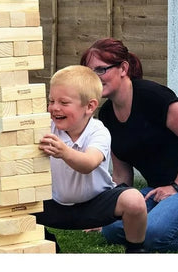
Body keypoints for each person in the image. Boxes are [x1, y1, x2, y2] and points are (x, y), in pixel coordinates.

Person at [80, 38, 178, 252]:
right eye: (90, 73)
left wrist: (177, 187)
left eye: (101, 70)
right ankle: (173, 219)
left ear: (123, 68)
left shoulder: (152, 96)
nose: (95, 78)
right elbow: (122, 175)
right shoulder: (106, 114)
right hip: (158, 191)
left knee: (149, 234)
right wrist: (105, 212)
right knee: (112, 229)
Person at [35, 65, 148, 253]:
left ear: (90, 106)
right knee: (11, 202)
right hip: (55, 204)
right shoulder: (46, 127)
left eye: (63, 102)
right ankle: (49, 247)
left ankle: (136, 251)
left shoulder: (98, 131)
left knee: (134, 200)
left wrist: (64, 151)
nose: (54, 108)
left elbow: (89, 163)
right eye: (51, 100)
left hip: (96, 204)